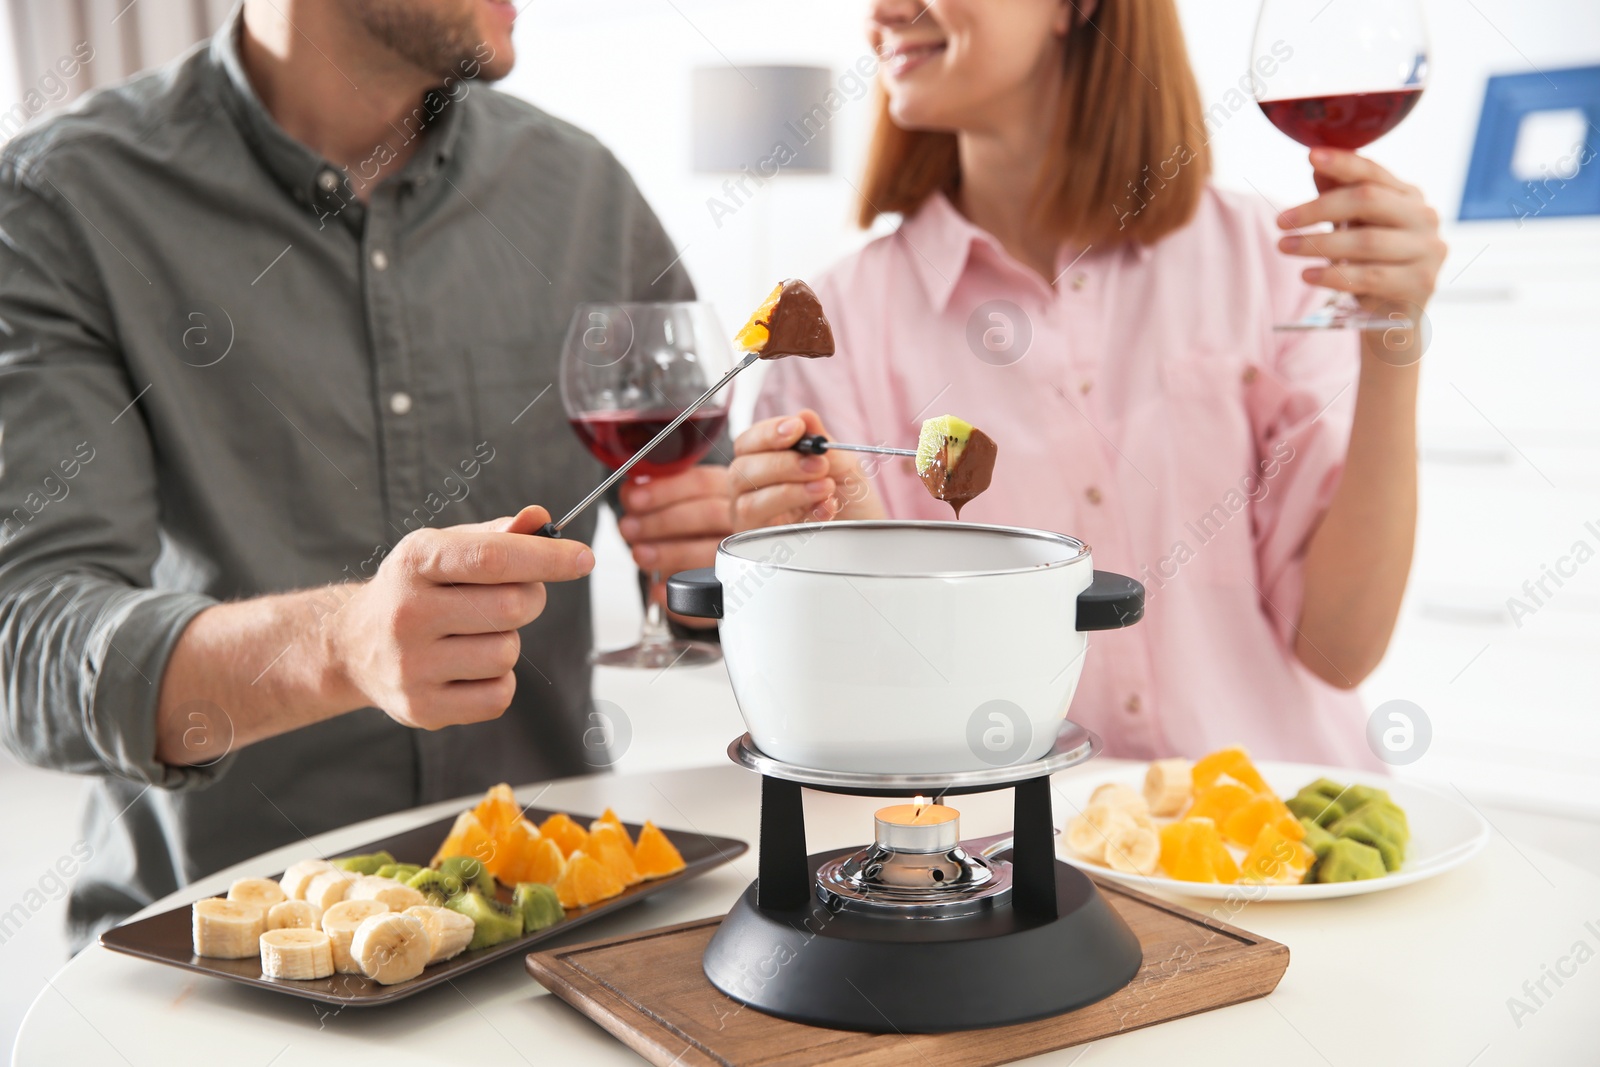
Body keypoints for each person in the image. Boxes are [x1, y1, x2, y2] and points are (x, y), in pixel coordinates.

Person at [0, 0, 730, 949]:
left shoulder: (585, 189)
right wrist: (338, 643)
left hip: (546, 943)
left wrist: (722, 555)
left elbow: (695, 571)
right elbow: (28, 649)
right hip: (220, 962)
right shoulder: (63, 201)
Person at [730, 0, 1446, 767]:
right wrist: (839, 548)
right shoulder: (830, 324)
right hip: (1020, 863)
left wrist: (1394, 345)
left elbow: (1341, 647)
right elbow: (872, 704)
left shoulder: (1272, 263)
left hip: (1283, 844)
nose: (886, 10)